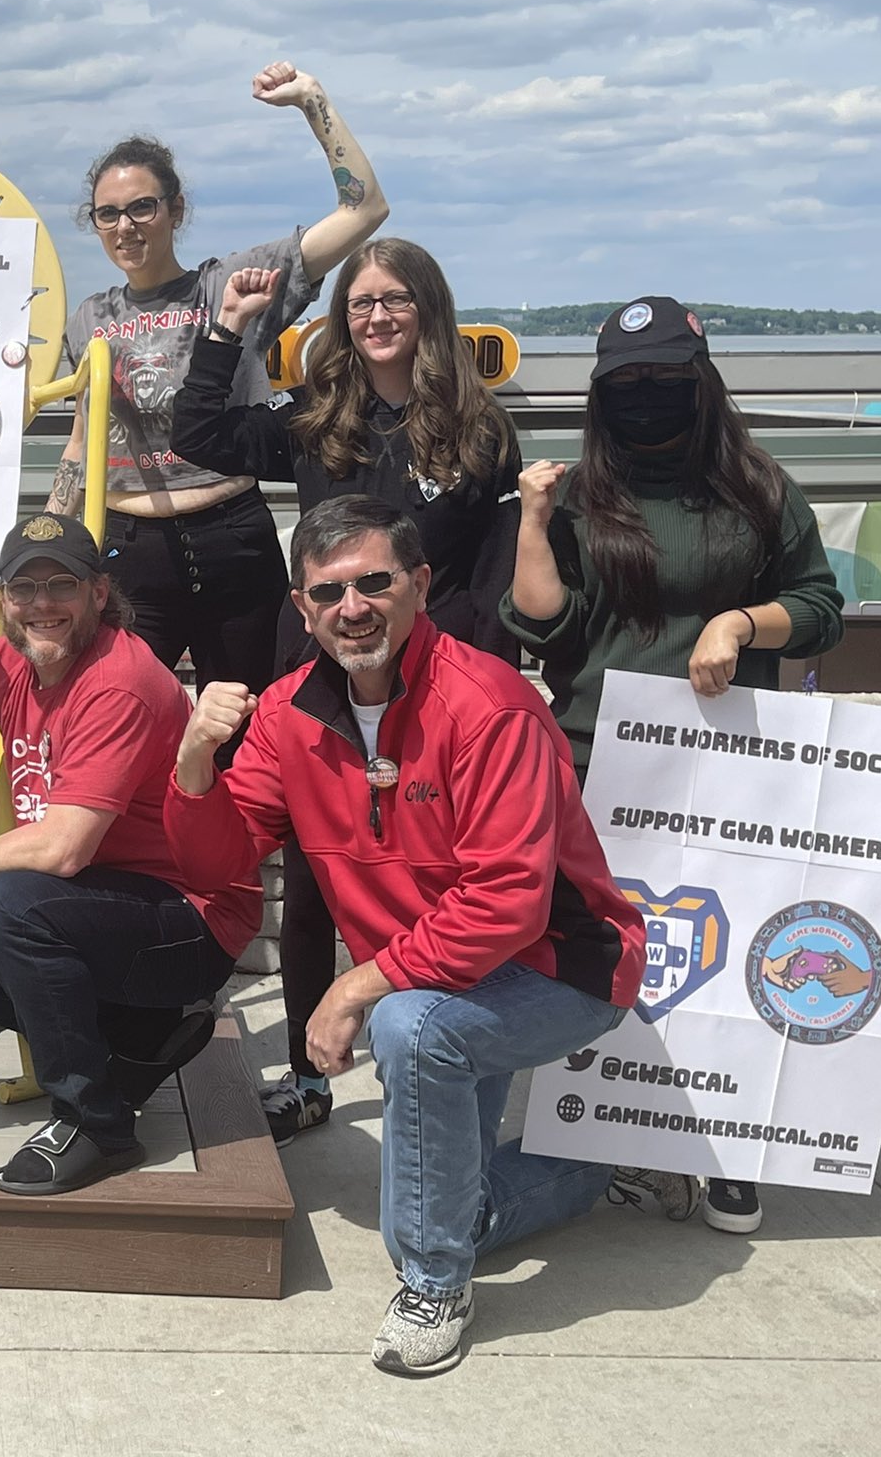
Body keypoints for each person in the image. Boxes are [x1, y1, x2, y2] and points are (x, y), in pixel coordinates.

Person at [166, 494, 702, 1377]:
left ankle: (437, 1286)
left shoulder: (489, 704)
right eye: (328, 592)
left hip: (562, 968)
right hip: (437, 973)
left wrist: (354, 986)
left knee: (412, 1044)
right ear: (301, 608)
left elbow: (508, 905)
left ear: (418, 585)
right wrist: (194, 762)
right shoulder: (291, 711)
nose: (353, 608)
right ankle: (600, 1171)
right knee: (442, 1190)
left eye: (375, 582)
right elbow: (215, 865)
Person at [502, 296, 846, 1237]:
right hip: (595, 760)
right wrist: (534, 519)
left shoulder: (760, 489)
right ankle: (601, 1123)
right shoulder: (574, 494)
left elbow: (819, 604)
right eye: (626, 383)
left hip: (732, 764)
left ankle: (731, 1151)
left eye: (665, 379)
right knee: (606, 955)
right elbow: (541, 628)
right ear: (600, 394)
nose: (646, 397)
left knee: (733, 961)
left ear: (702, 384)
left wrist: (739, 622)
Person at [169, 237, 520, 1146]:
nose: (376, 316)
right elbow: (197, 434)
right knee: (318, 875)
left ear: (427, 308)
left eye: (394, 298)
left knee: (436, 871)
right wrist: (229, 330)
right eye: (361, 302)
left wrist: (476, 683)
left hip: (431, 686)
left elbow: (486, 576)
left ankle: (437, 1047)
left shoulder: (479, 426)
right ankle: (305, 1070)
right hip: (319, 676)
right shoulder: (323, 413)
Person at [0, 513, 260, 1196]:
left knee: (5, 900)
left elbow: (66, 847)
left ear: (98, 593)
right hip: (102, 907)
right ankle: (137, 1036)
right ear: (5, 599)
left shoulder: (120, 679)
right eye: (24, 587)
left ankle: (95, 1122)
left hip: (189, 924)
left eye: (61, 585)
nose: (42, 604)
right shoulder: (6, 659)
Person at [46, 61, 388, 704]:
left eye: (143, 207)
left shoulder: (226, 282)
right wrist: (44, 550)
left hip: (231, 538)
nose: (126, 227)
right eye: (107, 214)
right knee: (115, 722)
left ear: (175, 210)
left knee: (252, 731)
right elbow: (80, 444)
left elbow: (364, 209)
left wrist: (312, 101)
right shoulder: (90, 317)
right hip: (128, 550)